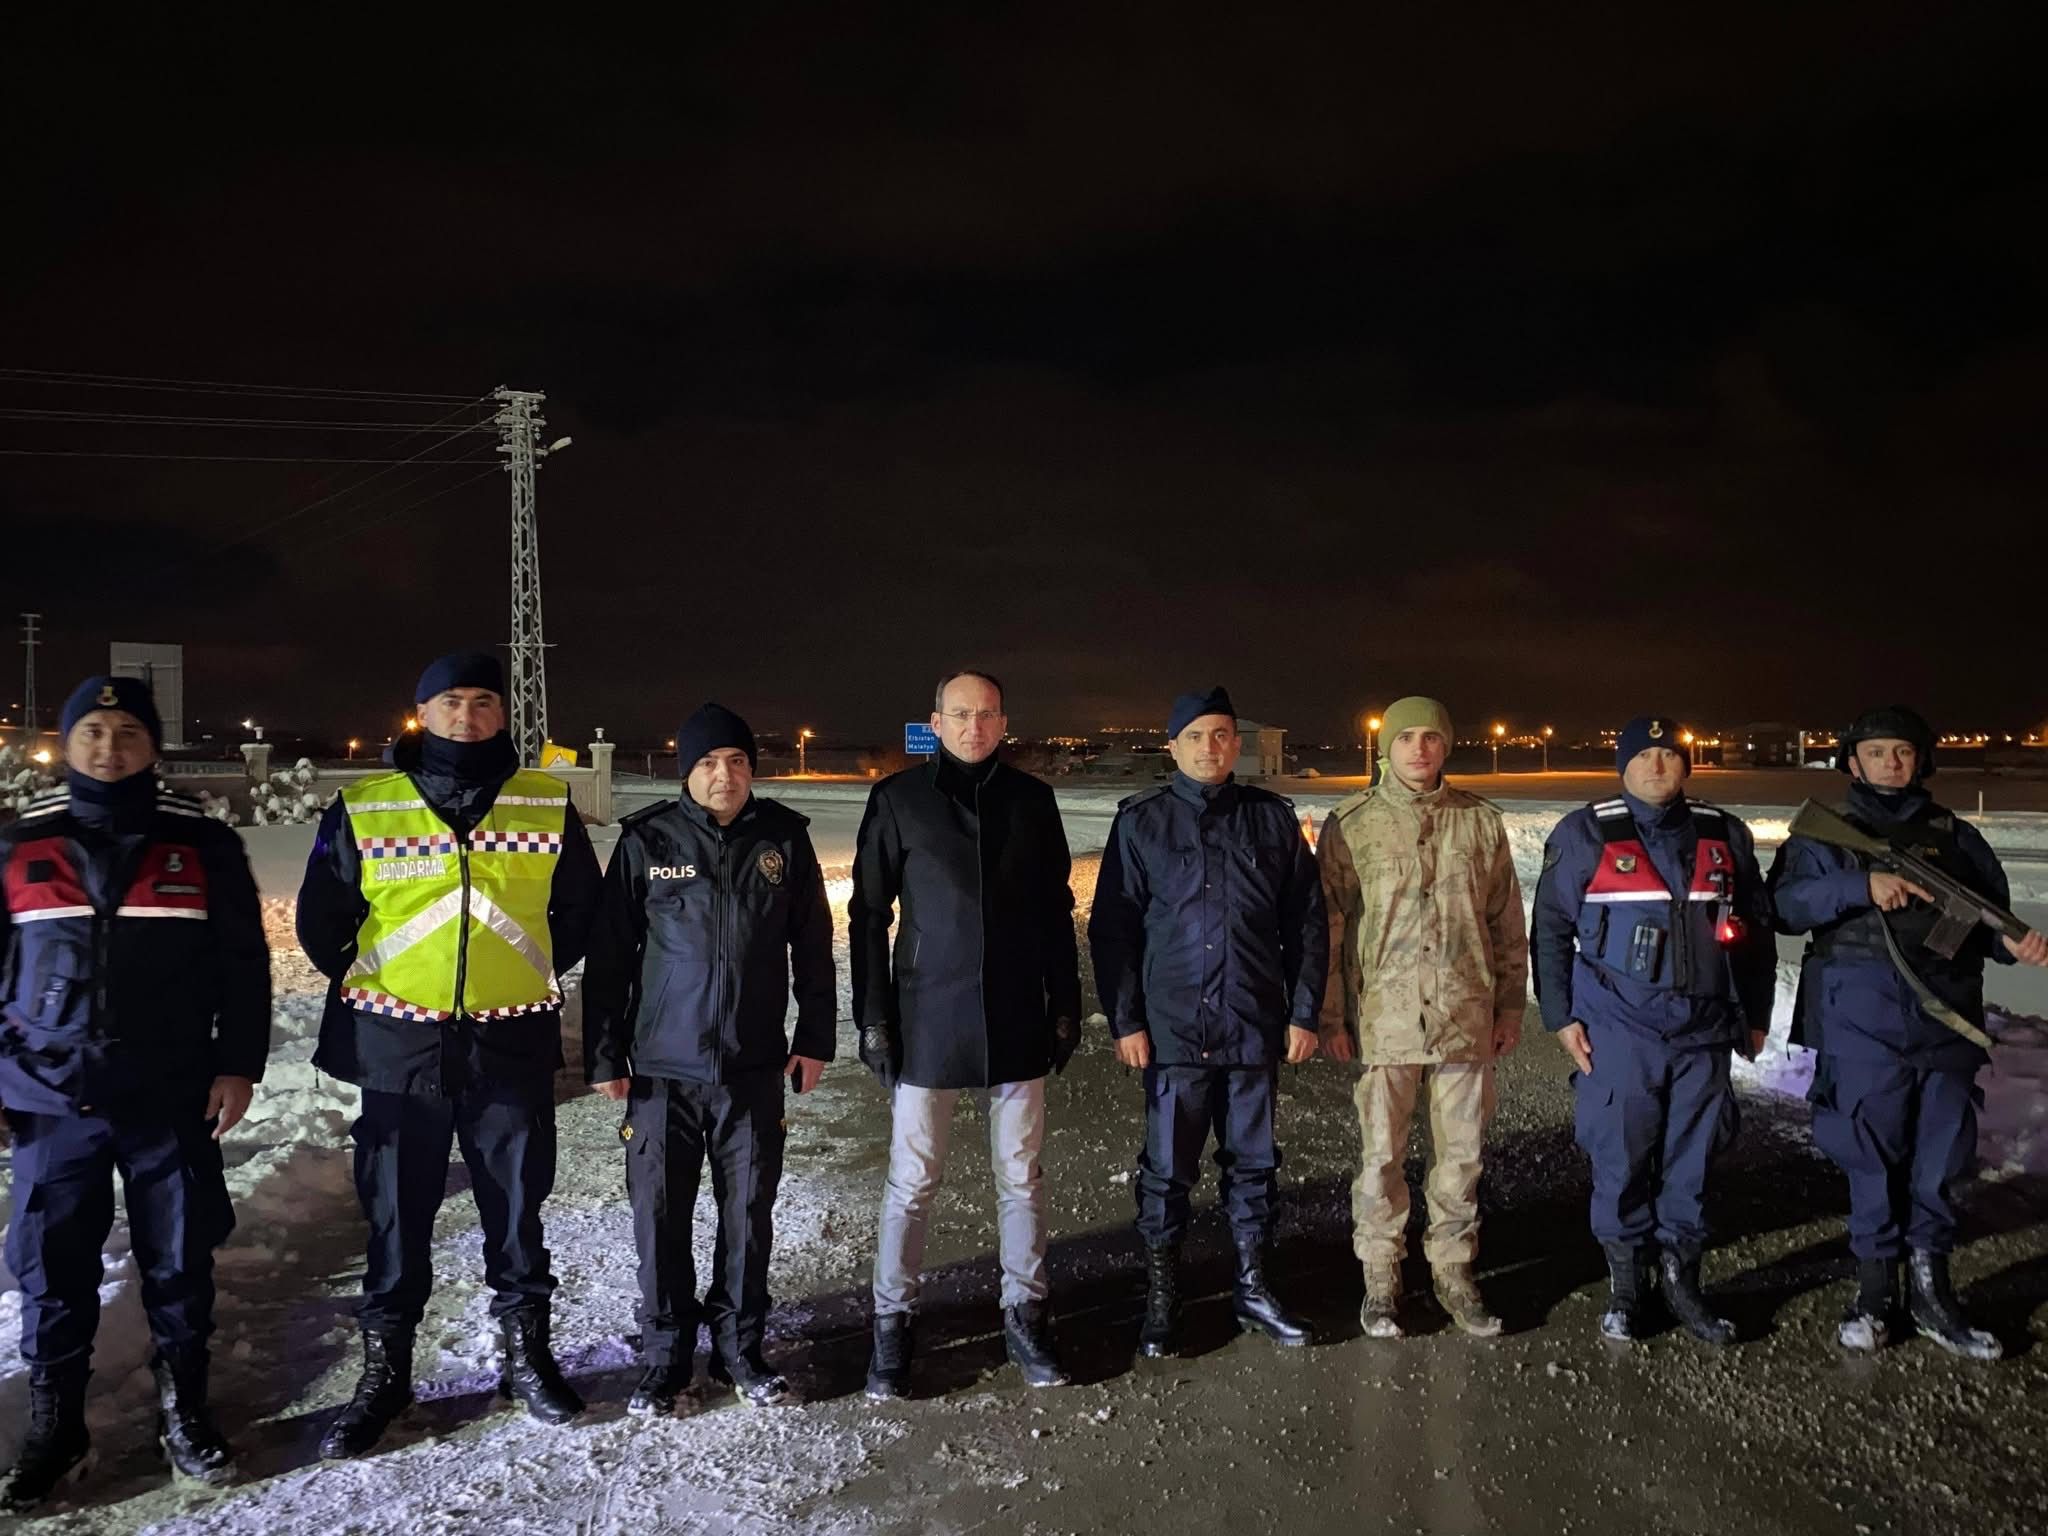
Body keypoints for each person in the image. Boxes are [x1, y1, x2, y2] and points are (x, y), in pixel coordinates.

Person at [296, 650, 600, 1456]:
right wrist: (397, 990)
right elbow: (321, 920)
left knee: (517, 1208)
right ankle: (386, 1374)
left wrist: (516, 973)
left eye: (484, 702)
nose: (468, 716)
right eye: (451, 702)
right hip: (399, 1050)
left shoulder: (544, 804)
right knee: (397, 1215)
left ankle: (526, 1357)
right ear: (422, 713)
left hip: (510, 1042)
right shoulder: (366, 806)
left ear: (504, 715)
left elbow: (578, 913)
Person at [0, 676, 269, 1507]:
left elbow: (242, 964)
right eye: (93, 731)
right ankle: (57, 1423)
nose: (109, 747)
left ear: (153, 745)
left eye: (126, 732)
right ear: (68, 742)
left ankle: (184, 1405)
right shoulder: (20, 841)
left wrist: (239, 1064)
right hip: (49, 1097)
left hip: (171, 1093)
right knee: (52, 1268)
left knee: (180, 1260)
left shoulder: (202, 844)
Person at [1769, 706, 2048, 1358]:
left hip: (1944, 1023)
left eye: (1903, 751)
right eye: (1877, 751)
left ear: (1921, 760)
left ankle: (1931, 1290)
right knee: (1871, 1158)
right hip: (1859, 1026)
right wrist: (1858, 884)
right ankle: (1874, 1292)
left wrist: (2017, 946)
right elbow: (1781, 905)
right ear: (1852, 761)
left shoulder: (1955, 836)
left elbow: (1991, 921)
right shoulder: (1827, 835)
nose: (1891, 762)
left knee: (1940, 1162)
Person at [584, 703, 836, 1414]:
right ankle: (666, 1358)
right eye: (707, 762)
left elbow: (813, 947)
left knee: (748, 1216)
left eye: (735, 761)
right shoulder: (648, 839)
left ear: (751, 769)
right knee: (660, 1217)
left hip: (752, 1071)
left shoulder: (783, 839)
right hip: (664, 1074)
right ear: (685, 771)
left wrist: (814, 1038)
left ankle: (740, 1350)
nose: (723, 774)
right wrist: (606, 1053)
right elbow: (609, 957)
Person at [849, 668, 1082, 1397]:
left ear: (1002, 722)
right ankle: (892, 1325)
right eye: (960, 715)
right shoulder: (898, 801)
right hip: (927, 1019)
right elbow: (867, 916)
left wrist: (1065, 1002)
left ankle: (1026, 1313)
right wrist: (875, 1018)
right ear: (936, 721)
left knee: (1021, 1176)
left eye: (986, 715)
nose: (974, 727)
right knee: (912, 1181)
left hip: (1015, 1014)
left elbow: (1054, 910)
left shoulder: (1033, 802)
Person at [1089, 687, 1326, 1357]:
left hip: (1253, 1024)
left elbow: (1305, 922)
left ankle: (1253, 1288)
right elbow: (1114, 931)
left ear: (1235, 744)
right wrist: (1125, 1020)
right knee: (1167, 1170)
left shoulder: (1271, 820)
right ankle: (1165, 1296)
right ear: (1173, 746)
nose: (1211, 746)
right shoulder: (1142, 823)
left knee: (1254, 1164)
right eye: (1196, 735)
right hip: (1172, 1032)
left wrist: (1304, 1011)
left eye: (1222, 734)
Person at [1531, 715, 1775, 1344]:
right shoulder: (1586, 833)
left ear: (1686, 766)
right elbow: (1552, 932)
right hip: (1620, 1032)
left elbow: (1756, 933)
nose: (1658, 765)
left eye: (1670, 755)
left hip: (1703, 1031)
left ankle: (1682, 1281)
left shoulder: (1724, 834)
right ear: (1624, 765)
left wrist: (1756, 1016)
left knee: (1691, 1164)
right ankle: (1626, 1285)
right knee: (1621, 1158)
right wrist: (1560, 1017)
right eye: (1645, 756)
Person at [1315, 696, 1527, 1339]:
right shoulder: (1352, 823)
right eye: (1406, 737)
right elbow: (1328, 927)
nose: (1419, 749)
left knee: (1461, 1156)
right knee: (1382, 1154)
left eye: (1431, 738)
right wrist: (1332, 1016)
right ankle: (1382, 1274)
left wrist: (1511, 1005)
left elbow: (1505, 924)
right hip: (1387, 1017)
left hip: (1466, 1012)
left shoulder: (1481, 823)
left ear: (1446, 747)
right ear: (1388, 748)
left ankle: (1453, 1270)